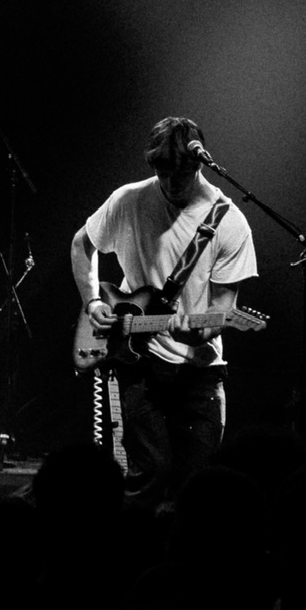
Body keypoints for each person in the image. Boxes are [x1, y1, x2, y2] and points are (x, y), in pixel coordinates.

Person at [72, 116, 258, 513]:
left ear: (200, 164)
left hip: (198, 372)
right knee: (149, 475)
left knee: (199, 488)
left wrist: (195, 332)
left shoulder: (228, 221)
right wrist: (93, 302)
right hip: (137, 365)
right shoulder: (128, 200)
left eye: (181, 174)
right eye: (162, 174)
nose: (171, 184)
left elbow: (222, 310)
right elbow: (80, 245)